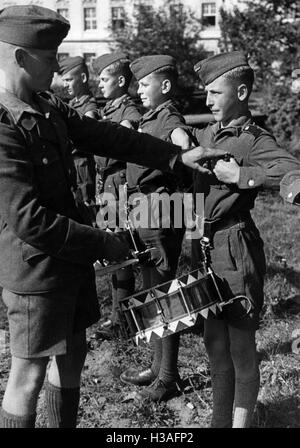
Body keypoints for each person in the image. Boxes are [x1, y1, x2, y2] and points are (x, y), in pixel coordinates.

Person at [0, 5, 225, 428]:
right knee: (27, 375)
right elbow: (27, 218)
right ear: (20, 58)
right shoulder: (4, 122)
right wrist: (102, 242)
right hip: (35, 270)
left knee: (72, 356)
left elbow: (107, 136)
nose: (57, 69)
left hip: (69, 260)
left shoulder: (47, 104)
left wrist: (177, 157)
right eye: (50, 59)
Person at [190, 51, 300, 428]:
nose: (207, 100)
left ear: (239, 92)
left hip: (235, 247)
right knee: (214, 344)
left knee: (240, 348)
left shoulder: (254, 139)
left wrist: (242, 176)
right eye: (206, 93)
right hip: (206, 248)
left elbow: (292, 172)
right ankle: (221, 421)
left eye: (215, 93)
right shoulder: (208, 133)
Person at [119, 55, 192, 402]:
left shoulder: (169, 117)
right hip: (144, 209)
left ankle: (168, 375)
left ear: (164, 87)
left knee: (164, 294)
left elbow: (184, 145)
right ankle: (156, 364)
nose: (138, 90)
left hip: (162, 211)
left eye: (144, 84)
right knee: (152, 294)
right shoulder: (151, 117)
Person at [93, 52, 141, 330]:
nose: (100, 84)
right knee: (114, 254)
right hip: (108, 187)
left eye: (104, 78)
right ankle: (117, 317)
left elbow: (121, 146)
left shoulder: (128, 112)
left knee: (122, 255)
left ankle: (123, 320)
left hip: (121, 189)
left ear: (121, 80)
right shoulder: (110, 110)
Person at [59, 56, 97, 219]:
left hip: (82, 167)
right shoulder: (71, 105)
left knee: (87, 210)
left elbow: (89, 133)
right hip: (71, 166)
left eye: (68, 80)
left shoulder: (89, 106)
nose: (64, 85)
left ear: (82, 78)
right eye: (64, 80)